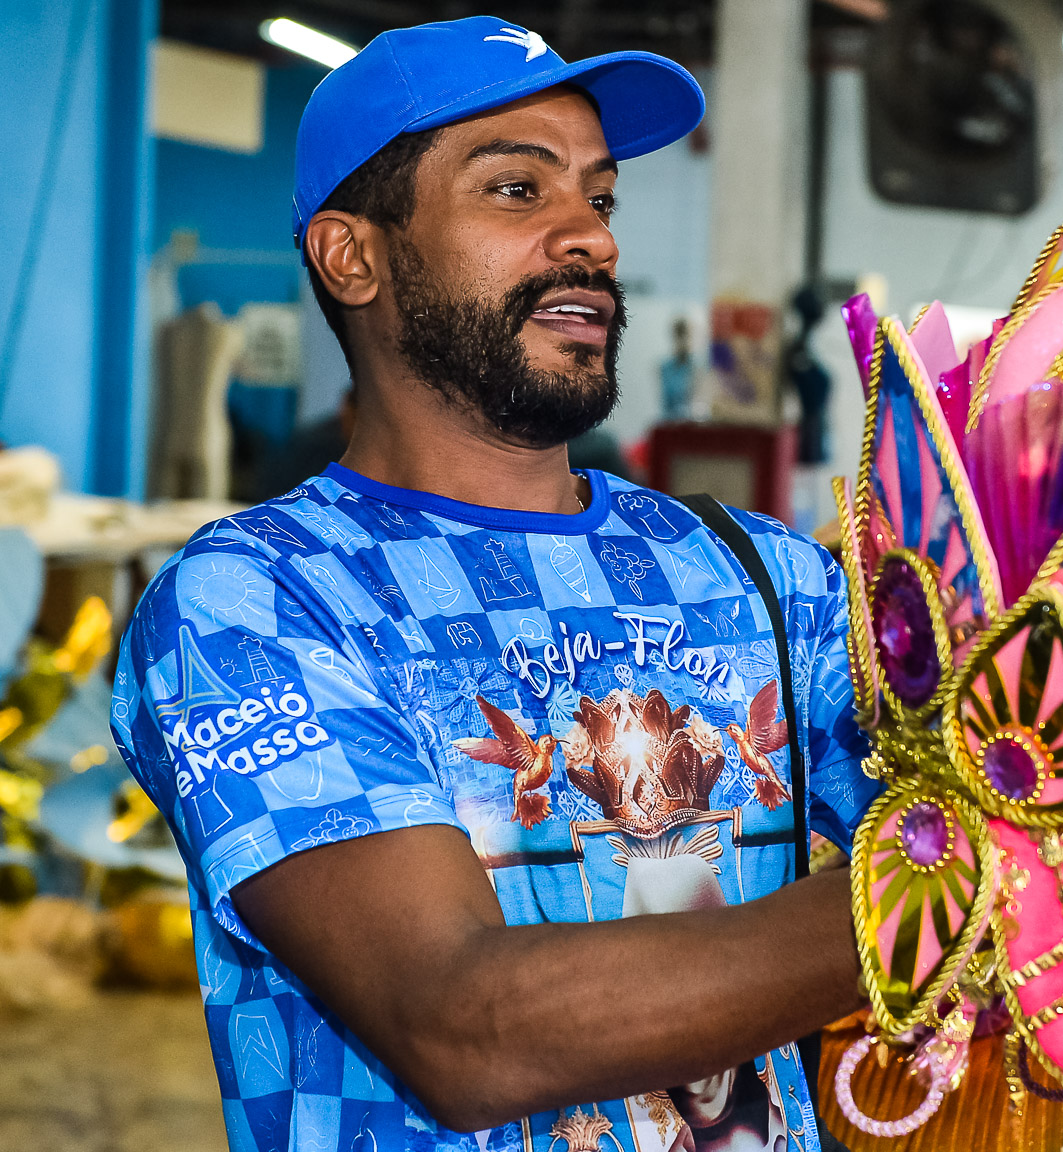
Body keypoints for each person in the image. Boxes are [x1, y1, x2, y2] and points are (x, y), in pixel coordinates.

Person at [110, 18, 875, 1152]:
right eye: (518, 191)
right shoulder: (256, 601)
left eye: (600, 200)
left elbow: (985, 802)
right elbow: (462, 1028)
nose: (591, 242)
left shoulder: (762, 573)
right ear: (352, 256)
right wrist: (946, 900)